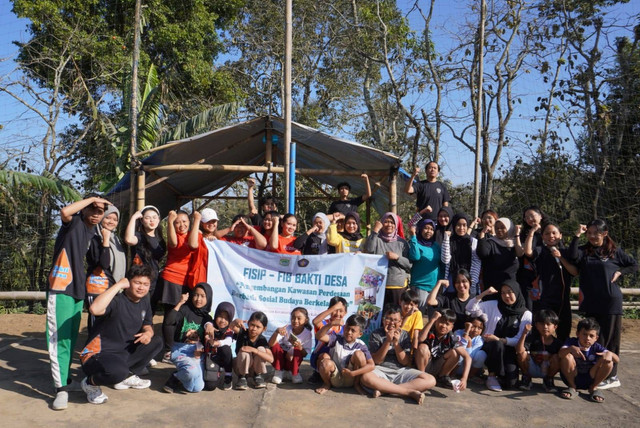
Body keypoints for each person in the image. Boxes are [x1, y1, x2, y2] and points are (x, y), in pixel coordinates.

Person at [47, 194, 109, 410]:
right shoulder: (72, 222)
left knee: (71, 337)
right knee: (59, 339)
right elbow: (65, 212)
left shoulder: (92, 232)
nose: (96, 214)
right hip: (61, 286)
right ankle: (60, 389)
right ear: (83, 209)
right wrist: (93, 197)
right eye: (92, 209)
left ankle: (66, 381)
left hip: (77, 289)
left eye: (100, 211)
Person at [79, 265, 162, 405]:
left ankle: (126, 376)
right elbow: (94, 309)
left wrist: (148, 333)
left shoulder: (145, 300)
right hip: (97, 354)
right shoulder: (116, 300)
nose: (141, 287)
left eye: (145, 284)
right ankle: (90, 383)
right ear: (128, 283)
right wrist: (117, 285)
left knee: (157, 341)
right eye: (137, 283)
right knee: (117, 372)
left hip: (122, 353)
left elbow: (148, 323)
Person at [569, 219, 637, 389]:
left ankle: (612, 376)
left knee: (610, 340)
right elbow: (572, 256)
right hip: (592, 302)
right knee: (591, 339)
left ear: (604, 234)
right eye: (589, 233)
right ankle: (595, 372)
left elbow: (634, 265)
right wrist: (577, 235)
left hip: (610, 302)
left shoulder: (614, 251)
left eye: (596, 233)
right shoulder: (585, 251)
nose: (592, 236)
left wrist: (621, 271)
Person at [360, 304, 436, 404]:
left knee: (430, 380)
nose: (392, 323)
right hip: (380, 370)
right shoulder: (376, 334)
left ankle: (384, 390)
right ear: (383, 320)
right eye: (389, 319)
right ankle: (408, 392)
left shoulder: (404, 335)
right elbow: (377, 361)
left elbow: (405, 362)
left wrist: (396, 343)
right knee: (365, 377)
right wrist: (387, 341)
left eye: (395, 320)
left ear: (400, 322)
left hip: (401, 371)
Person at [466, 281, 532, 391]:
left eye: (510, 292)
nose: (506, 296)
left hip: (510, 350)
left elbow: (519, 339)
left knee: (511, 384)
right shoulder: (493, 305)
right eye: (503, 293)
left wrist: (501, 339)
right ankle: (492, 376)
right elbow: (469, 309)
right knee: (497, 344)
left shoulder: (526, 314)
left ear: (517, 292)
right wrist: (484, 294)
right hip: (490, 347)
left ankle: (501, 376)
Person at [159, 210, 199, 360]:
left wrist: (196, 222)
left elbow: (194, 244)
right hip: (172, 279)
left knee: (183, 316)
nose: (181, 225)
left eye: (185, 222)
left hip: (188, 281)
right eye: (178, 222)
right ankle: (168, 350)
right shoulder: (173, 235)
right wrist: (169, 221)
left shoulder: (192, 234)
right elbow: (174, 243)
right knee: (171, 315)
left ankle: (179, 346)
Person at [162, 283, 215, 393]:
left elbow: (209, 324)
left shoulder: (207, 317)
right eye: (195, 295)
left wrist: (210, 325)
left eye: (202, 296)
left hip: (196, 353)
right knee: (192, 373)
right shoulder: (185, 309)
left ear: (208, 298)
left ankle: (181, 374)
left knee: (197, 388)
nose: (198, 299)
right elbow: (169, 321)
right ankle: (175, 378)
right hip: (180, 349)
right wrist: (180, 303)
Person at [528, 223, 577, 342]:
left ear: (560, 235)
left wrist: (560, 258)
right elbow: (528, 253)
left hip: (562, 298)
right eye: (547, 233)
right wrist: (531, 232)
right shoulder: (540, 250)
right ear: (543, 237)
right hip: (545, 297)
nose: (551, 236)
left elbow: (574, 272)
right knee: (542, 329)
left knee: (564, 330)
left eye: (554, 233)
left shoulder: (566, 252)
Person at [85, 204, 127, 332]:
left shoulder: (116, 239)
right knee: (96, 322)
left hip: (111, 285)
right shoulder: (94, 237)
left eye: (115, 219)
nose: (111, 222)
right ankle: (91, 351)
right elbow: (104, 263)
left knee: (109, 323)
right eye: (108, 218)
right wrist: (105, 240)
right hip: (97, 286)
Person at [559, 317, 619, 403]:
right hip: (572, 376)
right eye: (584, 334)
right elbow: (560, 354)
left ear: (596, 338)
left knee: (609, 362)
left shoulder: (596, 347)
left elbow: (617, 360)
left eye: (591, 336)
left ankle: (593, 388)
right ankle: (572, 387)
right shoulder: (571, 342)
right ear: (577, 334)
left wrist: (609, 354)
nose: (587, 338)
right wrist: (570, 349)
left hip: (590, 377)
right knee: (566, 356)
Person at [314, 314, 375, 395]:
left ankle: (357, 385)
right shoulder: (337, 338)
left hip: (351, 378)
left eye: (353, 330)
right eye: (347, 328)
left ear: (360, 334)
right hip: (335, 378)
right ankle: (327, 384)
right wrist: (331, 324)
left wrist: (353, 373)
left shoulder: (361, 345)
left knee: (359, 354)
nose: (349, 332)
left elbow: (371, 365)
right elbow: (319, 336)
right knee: (325, 362)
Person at [124, 205, 166, 314]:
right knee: (136, 311)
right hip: (140, 280)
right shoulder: (139, 236)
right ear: (142, 220)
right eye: (147, 218)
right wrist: (133, 218)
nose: (151, 220)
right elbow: (128, 239)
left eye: (154, 217)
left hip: (154, 280)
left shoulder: (160, 239)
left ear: (159, 219)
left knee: (150, 311)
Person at [415, 309, 471, 390]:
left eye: (447, 324)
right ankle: (421, 376)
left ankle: (441, 377)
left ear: (451, 327)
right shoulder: (430, 330)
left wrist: (464, 378)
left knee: (455, 353)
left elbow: (467, 357)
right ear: (436, 321)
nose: (444, 326)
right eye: (441, 322)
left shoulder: (451, 338)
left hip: (437, 365)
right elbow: (420, 339)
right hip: (425, 364)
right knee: (422, 347)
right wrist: (432, 320)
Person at [365, 212, 411, 307]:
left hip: (395, 284)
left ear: (396, 225)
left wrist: (397, 258)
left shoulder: (402, 243)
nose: (389, 225)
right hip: (374, 282)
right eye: (386, 221)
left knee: (394, 315)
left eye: (392, 222)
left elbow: (409, 265)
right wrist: (375, 230)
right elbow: (369, 249)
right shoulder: (376, 238)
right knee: (370, 314)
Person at [515, 309, 562, 393]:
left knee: (557, 357)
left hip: (547, 369)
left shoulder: (557, 343)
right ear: (536, 325)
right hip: (532, 368)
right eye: (542, 324)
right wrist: (524, 333)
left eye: (548, 324)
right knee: (522, 354)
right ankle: (526, 378)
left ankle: (549, 380)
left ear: (555, 327)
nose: (545, 327)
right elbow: (519, 350)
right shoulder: (532, 339)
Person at [308, 297, 348, 384]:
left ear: (345, 313)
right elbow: (315, 322)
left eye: (340, 311)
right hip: (321, 357)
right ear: (329, 310)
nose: (337, 313)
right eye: (334, 310)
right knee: (325, 356)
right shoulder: (324, 324)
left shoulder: (346, 329)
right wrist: (331, 323)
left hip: (338, 358)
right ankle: (318, 374)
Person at [515, 206, 548, 310]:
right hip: (526, 276)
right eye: (526, 217)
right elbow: (522, 253)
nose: (530, 219)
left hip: (544, 274)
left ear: (540, 216)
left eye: (532, 216)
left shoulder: (549, 231)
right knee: (528, 307)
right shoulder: (523, 233)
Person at [269, 307, 313, 384]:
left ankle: (294, 373)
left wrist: (300, 347)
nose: (295, 321)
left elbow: (305, 354)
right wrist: (276, 332)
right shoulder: (286, 328)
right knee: (275, 346)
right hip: (281, 359)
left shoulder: (307, 334)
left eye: (299, 318)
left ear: (305, 320)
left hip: (292, 361)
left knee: (297, 350)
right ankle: (279, 371)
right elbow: (271, 344)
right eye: (293, 318)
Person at [476, 217, 519, 296]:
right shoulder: (491, 242)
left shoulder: (516, 244)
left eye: (502, 227)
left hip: (510, 289)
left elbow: (521, 254)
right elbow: (482, 253)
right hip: (493, 288)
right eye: (497, 228)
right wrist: (482, 235)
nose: (499, 230)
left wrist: (517, 236)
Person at [441, 212, 481, 296]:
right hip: (452, 280)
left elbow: (476, 263)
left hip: (468, 280)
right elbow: (445, 260)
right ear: (454, 225)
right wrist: (446, 239)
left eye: (464, 225)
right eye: (458, 225)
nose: (461, 228)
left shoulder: (473, 241)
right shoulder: (449, 241)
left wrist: (472, 282)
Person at [232, 311, 274, 390]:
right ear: (248, 323)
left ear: (264, 329)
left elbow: (271, 359)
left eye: (258, 327)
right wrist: (236, 321)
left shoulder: (262, 340)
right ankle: (242, 377)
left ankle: (257, 376)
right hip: (240, 368)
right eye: (252, 325)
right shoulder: (242, 333)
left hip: (254, 369)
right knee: (244, 353)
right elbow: (231, 326)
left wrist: (254, 350)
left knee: (261, 349)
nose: (254, 329)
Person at [201, 301, 236, 391]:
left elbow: (228, 341)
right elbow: (207, 324)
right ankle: (211, 371)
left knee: (226, 349)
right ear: (216, 315)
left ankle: (228, 375)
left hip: (219, 359)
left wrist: (218, 343)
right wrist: (208, 328)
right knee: (210, 386)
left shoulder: (229, 330)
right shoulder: (210, 325)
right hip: (208, 357)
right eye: (220, 316)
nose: (222, 321)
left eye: (226, 318)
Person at [407, 219, 441, 311]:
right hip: (420, 286)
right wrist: (413, 236)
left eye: (431, 229)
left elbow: (440, 263)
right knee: (417, 316)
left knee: (433, 318)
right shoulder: (415, 242)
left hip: (434, 287)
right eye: (426, 228)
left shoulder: (436, 246)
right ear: (420, 229)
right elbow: (415, 256)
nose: (428, 231)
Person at [185, 208, 219, 288]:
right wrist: (196, 220)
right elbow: (192, 245)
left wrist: (217, 242)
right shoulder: (197, 236)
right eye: (208, 221)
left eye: (213, 221)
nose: (211, 224)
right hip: (198, 280)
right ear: (201, 223)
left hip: (214, 283)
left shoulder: (219, 240)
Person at [453, 315, 487, 381]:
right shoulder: (457, 333)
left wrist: (469, 342)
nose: (476, 330)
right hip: (455, 365)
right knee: (459, 352)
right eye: (473, 326)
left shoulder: (480, 340)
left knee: (482, 354)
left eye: (479, 328)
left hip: (467, 366)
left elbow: (469, 356)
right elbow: (461, 350)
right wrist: (466, 332)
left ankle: (470, 376)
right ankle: (452, 374)